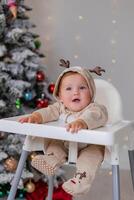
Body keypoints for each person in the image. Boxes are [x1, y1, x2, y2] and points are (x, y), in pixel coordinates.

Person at [19, 62, 108, 196]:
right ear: (59, 96)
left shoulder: (94, 108)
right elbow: (48, 112)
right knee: (54, 143)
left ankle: (81, 181)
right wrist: (36, 116)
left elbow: (97, 116)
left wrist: (82, 122)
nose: (76, 92)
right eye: (69, 89)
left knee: (91, 157)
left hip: (89, 146)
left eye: (82, 88)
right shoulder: (59, 107)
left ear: (91, 93)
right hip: (64, 144)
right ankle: (50, 160)